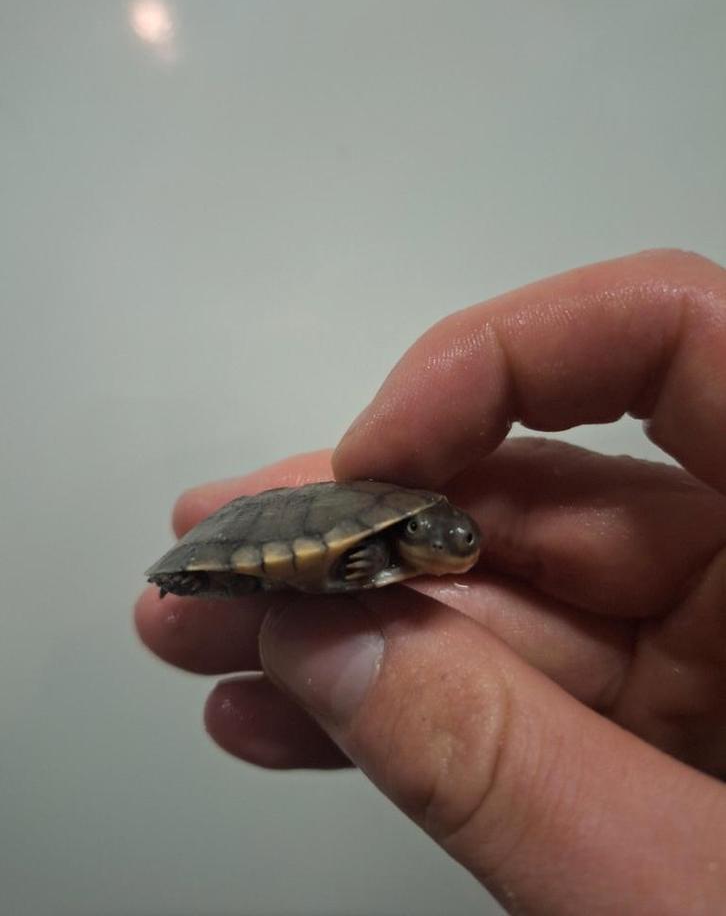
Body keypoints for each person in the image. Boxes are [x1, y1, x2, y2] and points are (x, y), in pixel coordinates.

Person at [136, 249, 726, 915]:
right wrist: (350, 559)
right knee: (231, 576)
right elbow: (325, 546)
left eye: (460, 538)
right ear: (408, 535)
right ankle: (190, 567)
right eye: (433, 536)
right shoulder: (374, 539)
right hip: (266, 535)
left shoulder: (425, 543)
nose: (453, 545)